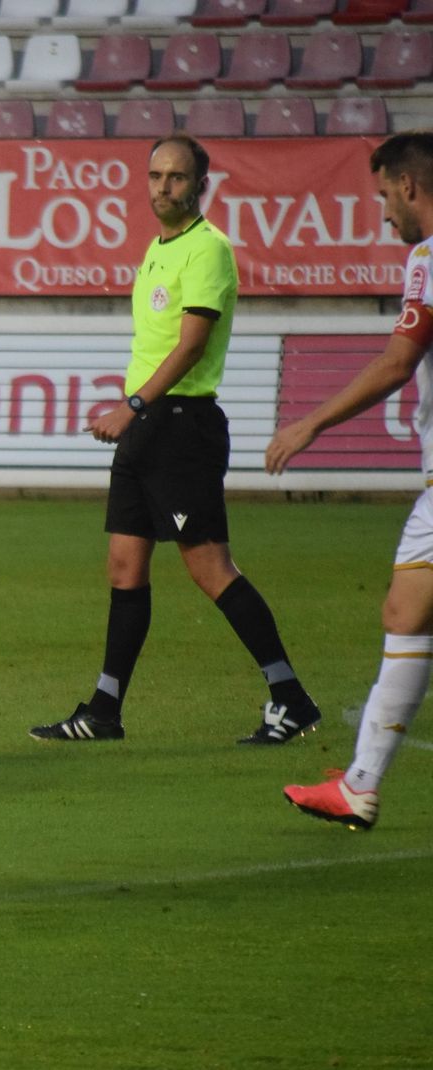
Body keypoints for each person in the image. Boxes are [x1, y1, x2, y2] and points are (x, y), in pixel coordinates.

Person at [30, 134, 320, 745]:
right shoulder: (157, 249)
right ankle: (104, 711)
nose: (164, 187)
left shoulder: (208, 250)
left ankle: (290, 697)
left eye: (177, 178)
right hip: (148, 430)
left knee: (211, 568)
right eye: (156, 176)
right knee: (124, 567)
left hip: (180, 426)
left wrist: (132, 405)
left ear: (200, 186)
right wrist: (137, 414)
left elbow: (190, 346)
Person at [267, 132, 433, 829]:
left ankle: (361, 783)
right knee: (407, 611)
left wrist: (311, 424)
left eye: (384, 197)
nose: (384, 214)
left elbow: (398, 362)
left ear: (411, 187)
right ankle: (361, 779)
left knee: (406, 614)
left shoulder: (428, 258)